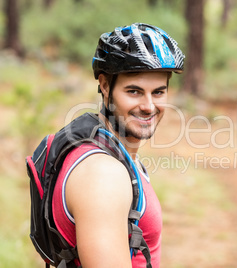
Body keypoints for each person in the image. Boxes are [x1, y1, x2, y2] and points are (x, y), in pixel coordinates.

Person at [51, 23, 185, 268]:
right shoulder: (103, 175)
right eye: (134, 91)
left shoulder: (116, 156)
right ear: (104, 85)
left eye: (158, 92)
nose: (148, 106)